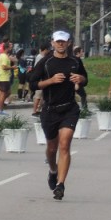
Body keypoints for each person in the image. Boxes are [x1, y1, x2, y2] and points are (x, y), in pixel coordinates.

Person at [32, 30, 87, 201]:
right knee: (52, 148)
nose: (61, 44)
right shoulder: (45, 62)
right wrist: (51, 81)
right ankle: (53, 170)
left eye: (64, 41)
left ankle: (60, 185)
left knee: (64, 145)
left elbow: (85, 79)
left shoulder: (75, 61)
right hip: (50, 110)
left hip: (69, 109)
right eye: (58, 41)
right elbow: (32, 83)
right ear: (52, 43)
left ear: (69, 43)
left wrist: (81, 79)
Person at [0, 42, 15, 114]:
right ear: (7, 48)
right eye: (10, 47)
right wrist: (12, 67)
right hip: (3, 77)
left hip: (5, 77)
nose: (11, 49)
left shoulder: (4, 55)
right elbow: (4, 67)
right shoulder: (4, 56)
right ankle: (0, 109)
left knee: (8, 92)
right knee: (3, 93)